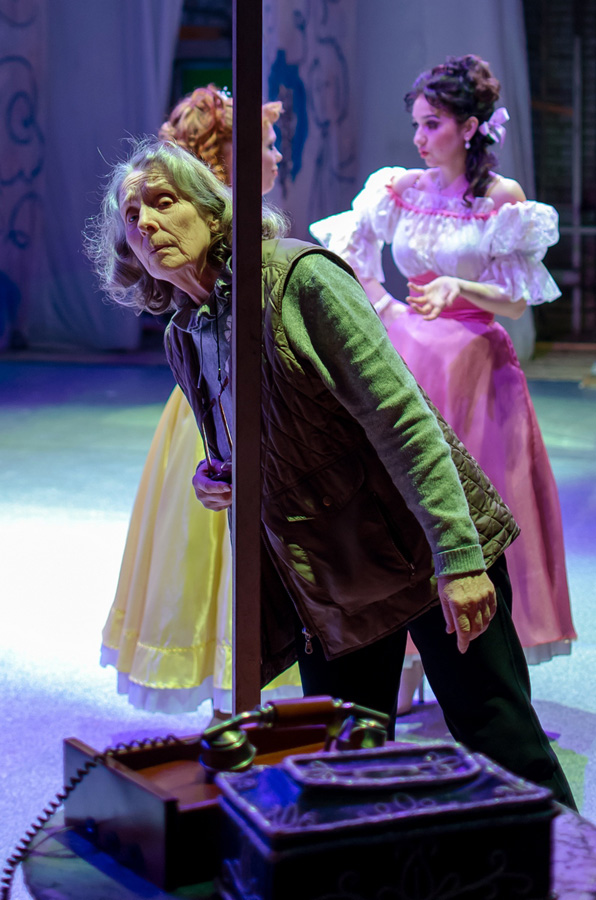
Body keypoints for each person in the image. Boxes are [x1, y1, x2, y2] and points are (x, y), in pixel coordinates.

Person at [87, 136, 575, 808]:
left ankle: (564, 861)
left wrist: (460, 558)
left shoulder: (299, 279)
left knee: (499, 739)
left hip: (421, 545)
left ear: (211, 210)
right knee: (345, 768)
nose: (146, 223)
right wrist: (218, 475)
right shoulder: (188, 333)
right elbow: (256, 433)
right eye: (131, 216)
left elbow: (403, 418)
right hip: (332, 572)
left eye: (163, 202)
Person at [310, 54, 576, 711]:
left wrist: (461, 287)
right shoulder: (400, 187)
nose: (420, 137)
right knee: (402, 502)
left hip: (475, 366)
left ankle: (481, 665)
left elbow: (519, 299)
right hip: (410, 355)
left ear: (470, 127)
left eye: (432, 124)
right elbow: (351, 249)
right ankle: (403, 658)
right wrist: (384, 307)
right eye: (417, 124)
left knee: (477, 503)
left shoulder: (500, 199)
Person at [100, 87, 301, 715]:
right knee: (218, 531)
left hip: (233, 391)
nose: (275, 156)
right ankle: (239, 682)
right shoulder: (203, 236)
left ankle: (242, 685)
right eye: (266, 143)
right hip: (216, 397)